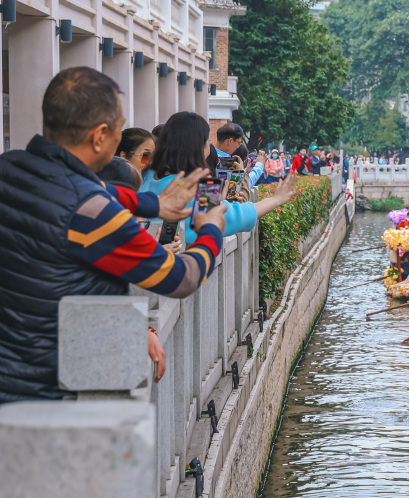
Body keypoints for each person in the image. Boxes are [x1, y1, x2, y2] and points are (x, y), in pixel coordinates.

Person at [0, 67, 226, 403]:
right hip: (52, 396)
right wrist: (211, 230)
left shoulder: (12, 167)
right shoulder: (93, 214)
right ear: (100, 135)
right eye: (119, 131)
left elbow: (99, 190)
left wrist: (154, 205)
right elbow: (180, 277)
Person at [141, 111, 298, 244]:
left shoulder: (145, 177)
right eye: (207, 141)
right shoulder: (201, 188)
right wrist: (276, 199)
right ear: (199, 147)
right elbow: (235, 216)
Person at [215, 122, 264, 188]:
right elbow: (242, 186)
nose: (238, 147)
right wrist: (259, 165)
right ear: (230, 141)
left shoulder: (211, 155)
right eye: (238, 142)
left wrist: (244, 171)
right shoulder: (225, 162)